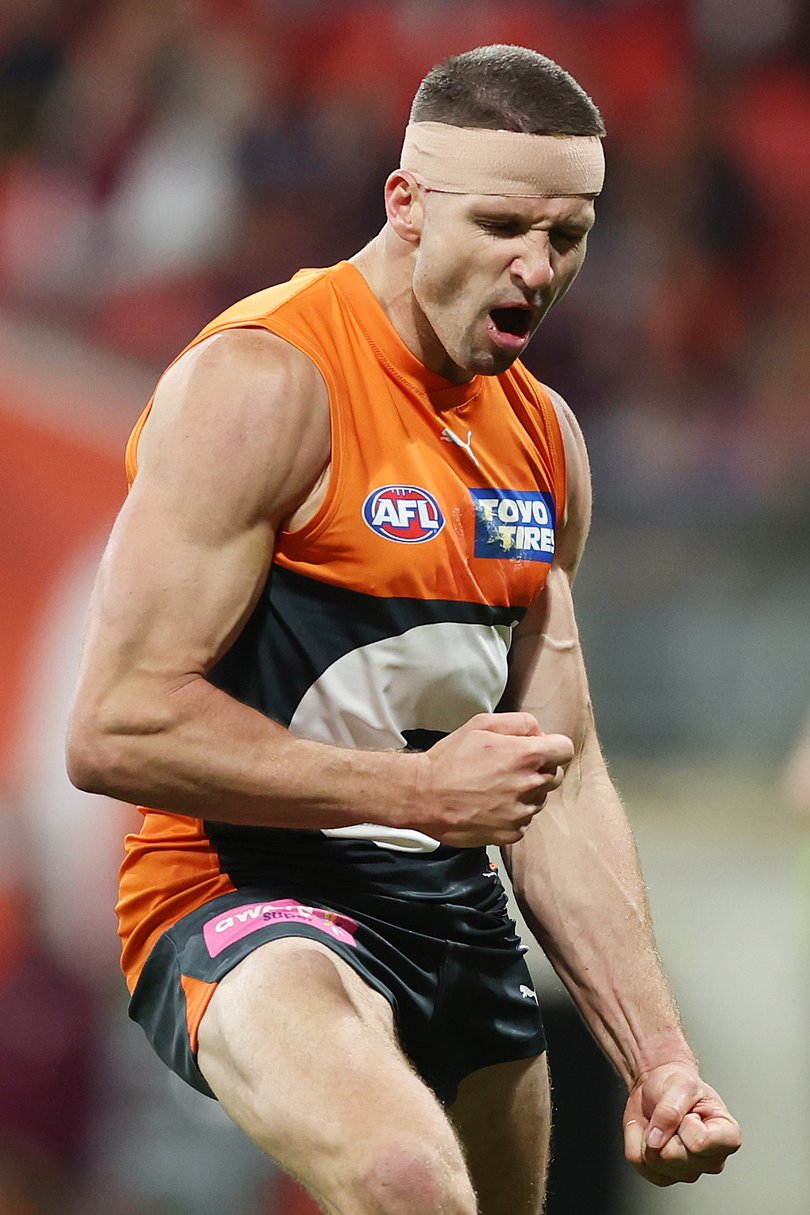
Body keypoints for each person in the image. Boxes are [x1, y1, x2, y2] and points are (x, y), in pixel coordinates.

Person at [67, 44, 741, 1215]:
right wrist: (420, 796)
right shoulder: (268, 382)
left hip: (450, 908)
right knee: (405, 1181)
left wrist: (660, 1056)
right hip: (240, 891)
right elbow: (116, 726)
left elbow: (562, 785)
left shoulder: (545, 441)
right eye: (502, 226)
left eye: (569, 237)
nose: (537, 267)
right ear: (406, 204)